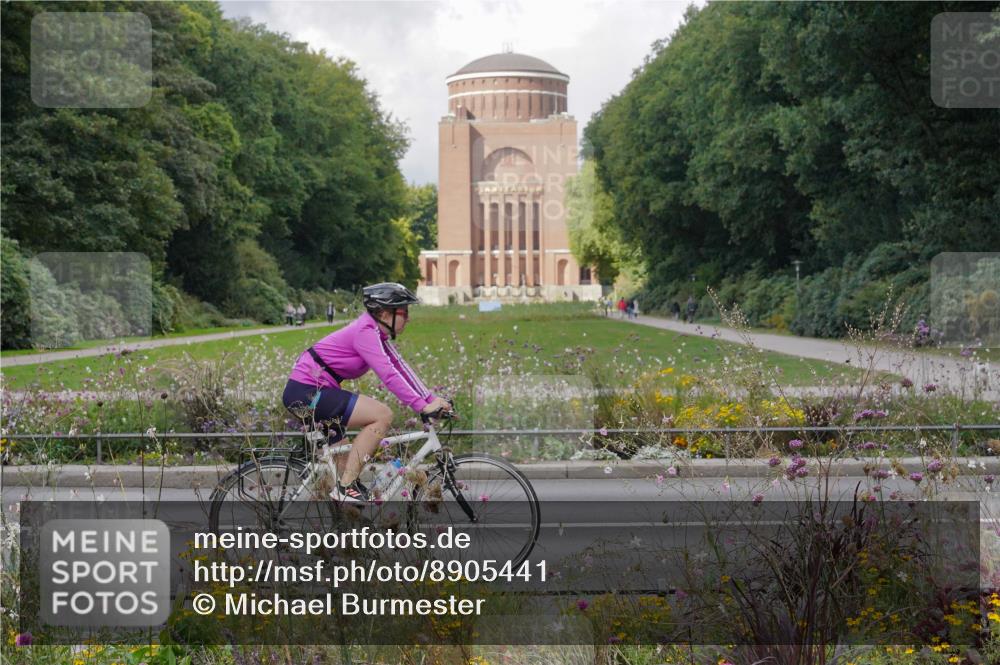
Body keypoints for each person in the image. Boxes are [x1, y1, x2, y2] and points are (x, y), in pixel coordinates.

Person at [282, 282, 452, 503]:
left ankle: (345, 507)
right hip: (307, 394)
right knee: (382, 415)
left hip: (317, 392)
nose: (408, 318)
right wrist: (422, 406)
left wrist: (430, 399)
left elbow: (400, 367)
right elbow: (388, 374)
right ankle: (346, 488)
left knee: (346, 471)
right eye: (404, 312)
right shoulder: (365, 332)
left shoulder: (375, 333)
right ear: (385, 313)